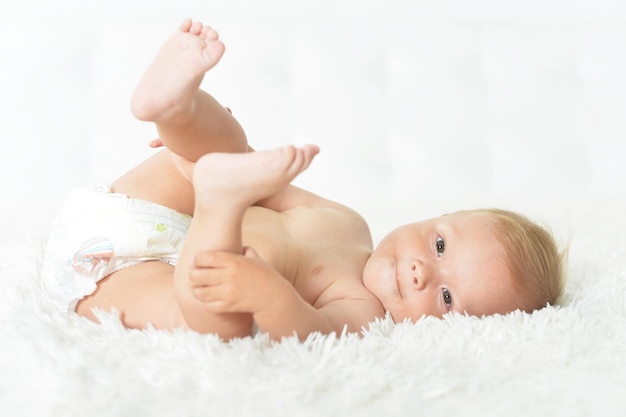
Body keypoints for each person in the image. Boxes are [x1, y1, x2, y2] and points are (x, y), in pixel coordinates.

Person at [42, 19, 564, 341]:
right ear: (430, 218)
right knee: (226, 150)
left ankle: (218, 202)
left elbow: (313, 331)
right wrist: (215, 145)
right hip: (142, 211)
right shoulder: (347, 223)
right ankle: (175, 110)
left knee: (220, 324)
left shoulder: (363, 312)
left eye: (448, 299)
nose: (422, 271)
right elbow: (262, 177)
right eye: (440, 244)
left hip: (111, 273)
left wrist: (274, 298)